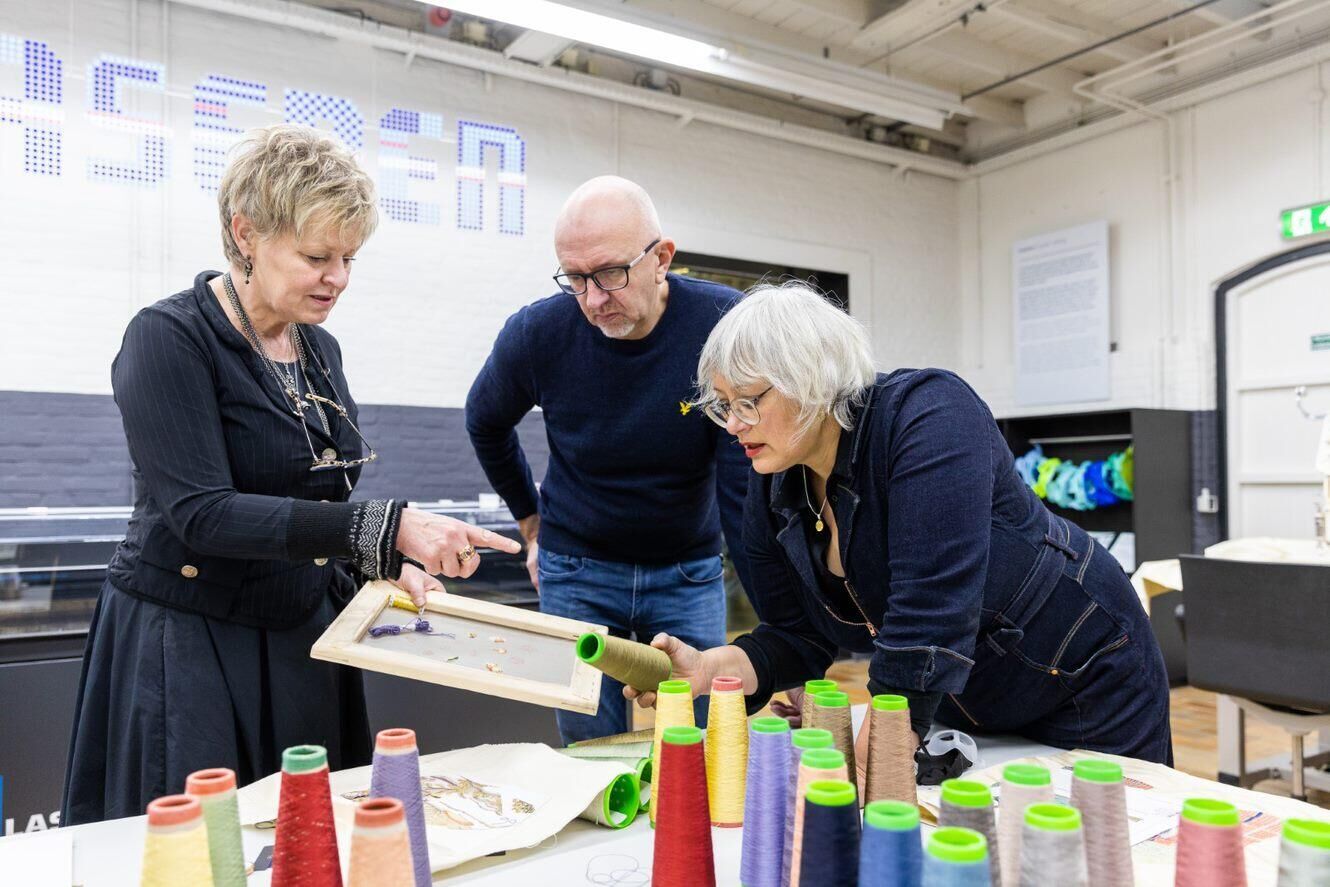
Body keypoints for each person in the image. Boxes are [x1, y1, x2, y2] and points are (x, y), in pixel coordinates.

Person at [61, 125, 521, 825]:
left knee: (308, 842)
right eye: (316, 256)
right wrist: (385, 526)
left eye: (348, 258)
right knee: (208, 850)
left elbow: (315, 500)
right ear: (246, 233)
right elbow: (204, 513)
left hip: (300, 635)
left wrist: (380, 562)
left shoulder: (319, 349)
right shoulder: (168, 339)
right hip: (193, 643)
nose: (336, 277)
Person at [628, 282, 1173, 768]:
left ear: (811, 378)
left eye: (747, 402)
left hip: (1084, 673)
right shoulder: (776, 484)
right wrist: (708, 669)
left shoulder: (928, 416)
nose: (733, 426)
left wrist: (873, 756)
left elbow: (929, 609)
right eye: (722, 407)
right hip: (968, 699)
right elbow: (796, 638)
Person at [465, 176, 751, 743]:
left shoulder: (725, 325)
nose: (594, 300)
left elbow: (743, 486)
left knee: (705, 744)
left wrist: (779, 632)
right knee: (590, 753)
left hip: (688, 573)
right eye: (575, 279)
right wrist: (529, 519)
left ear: (661, 258)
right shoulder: (539, 332)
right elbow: (485, 420)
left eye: (611, 275)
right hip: (577, 572)